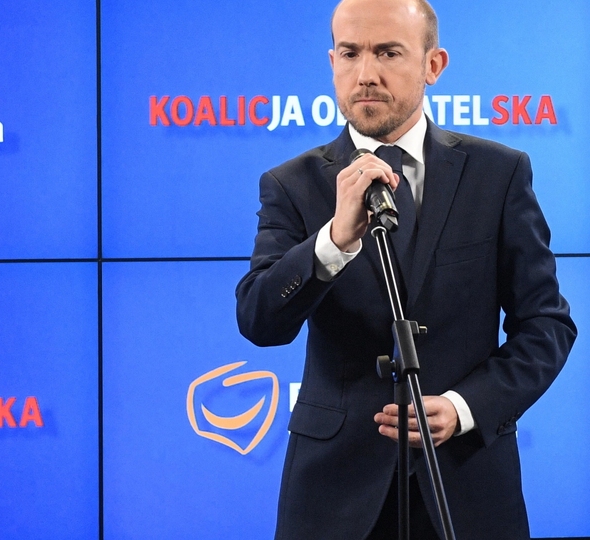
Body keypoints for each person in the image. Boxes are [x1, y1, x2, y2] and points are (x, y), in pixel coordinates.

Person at [234, 0, 577, 538]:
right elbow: (259, 320)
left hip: (467, 483)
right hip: (332, 496)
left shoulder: (499, 173)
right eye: (350, 53)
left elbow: (546, 325)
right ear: (332, 63)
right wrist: (333, 241)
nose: (365, 74)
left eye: (388, 53)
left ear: (433, 65)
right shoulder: (291, 184)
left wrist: (464, 407)